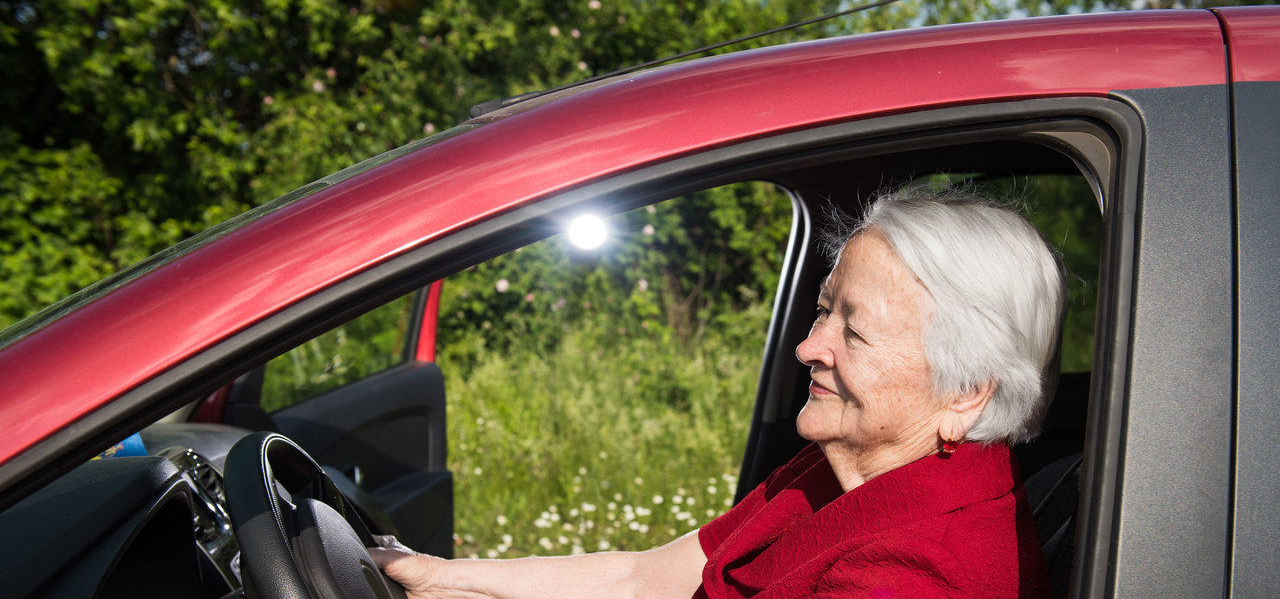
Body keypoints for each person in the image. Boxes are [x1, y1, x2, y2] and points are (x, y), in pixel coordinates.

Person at [370, 189, 1064, 598]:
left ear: (967, 390)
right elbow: (645, 579)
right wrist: (446, 576)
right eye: (826, 309)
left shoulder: (921, 575)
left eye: (854, 332)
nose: (809, 347)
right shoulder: (853, 466)